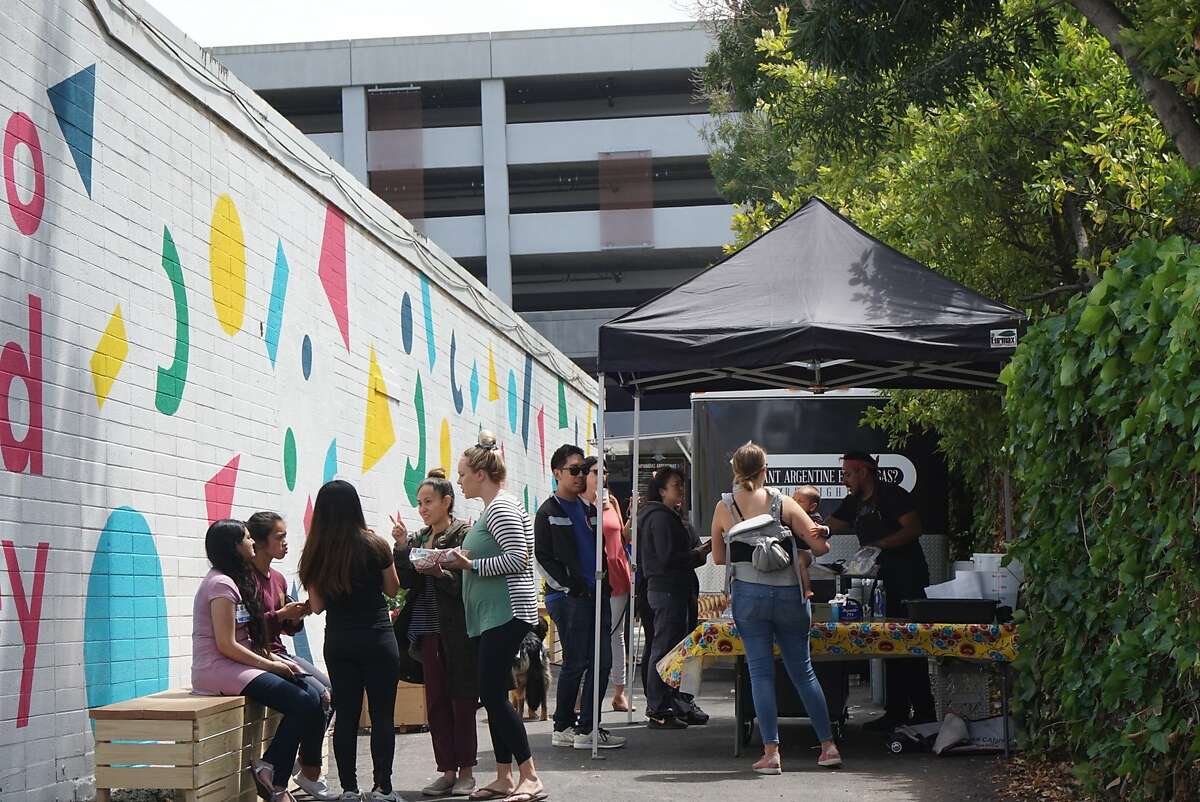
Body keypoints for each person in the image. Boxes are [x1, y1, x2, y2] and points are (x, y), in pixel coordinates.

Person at [711, 442, 843, 773]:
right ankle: (828, 747)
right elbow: (821, 547)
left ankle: (771, 754)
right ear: (765, 470)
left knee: (760, 673)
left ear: (735, 471)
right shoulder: (783, 502)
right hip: (788, 595)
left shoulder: (723, 507)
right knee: (803, 671)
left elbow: (718, 557)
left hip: (749, 596)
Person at [442, 432, 546, 802]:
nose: (459, 481)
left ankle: (529, 775)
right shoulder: (497, 506)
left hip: (505, 613)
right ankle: (504, 776)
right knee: (496, 693)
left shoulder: (500, 508)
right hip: (494, 615)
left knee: (493, 695)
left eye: (463, 474)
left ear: (481, 474)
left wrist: (470, 563)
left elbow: (518, 559)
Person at [192, 519, 325, 802]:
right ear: (234, 547)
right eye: (248, 538)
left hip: (239, 662)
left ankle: (273, 770)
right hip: (218, 668)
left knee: (314, 696)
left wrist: (275, 656)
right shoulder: (220, 584)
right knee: (302, 701)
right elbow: (226, 645)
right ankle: (274, 776)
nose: (253, 542)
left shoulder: (235, 580)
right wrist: (273, 665)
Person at [299, 480, 402, 802]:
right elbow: (392, 589)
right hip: (377, 637)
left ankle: (348, 789)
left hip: (340, 640)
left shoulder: (316, 552)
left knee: (346, 715)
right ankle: (382, 788)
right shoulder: (375, 545)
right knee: (383, 715)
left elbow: (316, 606)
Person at [827, 451, 935, 730]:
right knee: (889, 643)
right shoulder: (853, 503)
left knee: (910, 643)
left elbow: (914, 528)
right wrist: (799, 523)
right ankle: (896, 711)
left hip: (907, 577)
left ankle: (925, 713)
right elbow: (827, 526)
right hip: (881, 581)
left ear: (864, 472)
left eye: (848, 474)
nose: (844, 480)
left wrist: (880, 545)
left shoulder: (891, 494)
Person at [391, 469, 478, 799]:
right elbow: (406, 582)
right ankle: (447, 771)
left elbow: (467, 584)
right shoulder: (417, 538)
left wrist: (440, 571)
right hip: (427, 629)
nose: (423, 508)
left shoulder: (463, 534)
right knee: (437, 701)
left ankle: (467, 771)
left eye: (428, 502)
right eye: (419, 503)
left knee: (463, 699)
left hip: (457, 627)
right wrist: (401, 547)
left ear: (447, 501)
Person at [534, 445, 625, 750]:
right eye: (574, 470)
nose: (580, 476)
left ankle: (585, 727)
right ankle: (566, 727)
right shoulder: (549, 511)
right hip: (571, 598)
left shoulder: (590, 510)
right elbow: (544, 557)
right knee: (578, 661)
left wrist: (605, 585)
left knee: (600, 661)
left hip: (595, 593)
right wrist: (570, 587)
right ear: (557, 473)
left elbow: (598, 551)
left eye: (583, 470)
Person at [246, 511, 333, 801]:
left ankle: (305, 768)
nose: (286, 543)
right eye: (279, 537)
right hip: (258, 654)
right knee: (313, 699)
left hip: (279, 651)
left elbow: (285, 628)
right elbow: (247, 626)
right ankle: (281, 771)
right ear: (258, 542)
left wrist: (297, 615)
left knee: (329, 693)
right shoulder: (245, 579)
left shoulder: (279, 578)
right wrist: (282, 614)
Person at [638, 466, 711, 729]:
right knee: (663, 649)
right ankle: (658, 708)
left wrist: (698, 553)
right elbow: (668, 557)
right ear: (661, 491)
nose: (681, 489)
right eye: (676, 485)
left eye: (682, 484)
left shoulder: (674, 517)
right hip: (666, 589)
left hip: (678, 588)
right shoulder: (659, 518)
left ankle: (677, 702)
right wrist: (697, 554)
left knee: (678, 649)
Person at [581, 456, 633, 713]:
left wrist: (633, 517)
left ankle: (619, 692)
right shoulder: (580, 504)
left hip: (618, 573)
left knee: (616, 635)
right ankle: (585, 693)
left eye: (604, 472)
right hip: (592, 577)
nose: (601, 476)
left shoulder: (611, 501)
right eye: (594, 471)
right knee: (591, 635)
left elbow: (622, 535)